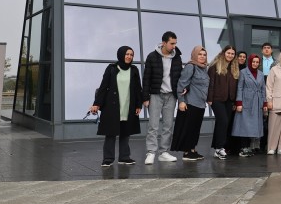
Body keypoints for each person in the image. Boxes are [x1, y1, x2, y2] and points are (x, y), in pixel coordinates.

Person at [90, 46, 143, 167]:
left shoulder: (134, 70)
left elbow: (138, 89)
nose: (129, 56)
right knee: (111, 132)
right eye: (127, 54)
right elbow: (103, 87)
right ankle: (108, 158)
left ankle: (124, 157)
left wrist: (138, 104)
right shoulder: (112, 68)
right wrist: (96, 104)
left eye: (131, 54)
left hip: (128, 105)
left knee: (126, 131)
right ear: (121, 54)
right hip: (112, 106)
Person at [142, 31, 182, 165]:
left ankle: (163, 152)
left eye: (175, 43)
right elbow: (146, 78)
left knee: (168, 125)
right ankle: (151, 152)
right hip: (155, 94)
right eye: (172, 43)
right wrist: (145, 97)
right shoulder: (152, 56)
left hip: (171, 95)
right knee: (153, 125)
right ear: (164, 43)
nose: (174, 46)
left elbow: (179, 76)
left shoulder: (177, 57)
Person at [170, 46, 210, 161]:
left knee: (195, 129)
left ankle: (192, 150)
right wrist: (181, 102)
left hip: (200, 104)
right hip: (190, 103)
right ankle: (187, 152)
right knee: (188, 128)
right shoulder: (190, 67)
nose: (202, 56)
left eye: (204, 54)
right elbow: (181, 84)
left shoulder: (204, 69)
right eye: (200, 54)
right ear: (194, 55)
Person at [207, 45, 238, 160]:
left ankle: (218, 148)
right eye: (228, 53)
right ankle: (220, 147)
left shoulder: (234, 67)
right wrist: (209, 98)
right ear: (224, 53)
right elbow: (210, 83)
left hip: (230, 100)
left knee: (223, 123)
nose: (230, 55)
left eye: (232, 54)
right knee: (223, 121)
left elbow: (235, 86)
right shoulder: (215, 66)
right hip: (217, 99)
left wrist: (235, 101)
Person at [233, 54, 266, 157]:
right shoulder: (243, 72)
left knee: (253, 126)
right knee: (244, 125)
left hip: (257, 102)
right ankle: (243, 148)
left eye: (257, 62)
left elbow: (263, 89)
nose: (255, 64)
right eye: (253, 62)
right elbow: (240, 88)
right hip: (246, 101)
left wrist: (264, 103)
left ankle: (250, 147)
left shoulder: (261, 74)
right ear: (250, 62)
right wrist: (239, 102)